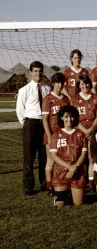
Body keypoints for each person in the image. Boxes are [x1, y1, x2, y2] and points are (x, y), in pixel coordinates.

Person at [16, 61, 51, 196]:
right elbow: (20, 111)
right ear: (30, 73)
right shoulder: (24, 90)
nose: (38, 73)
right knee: (29, 157)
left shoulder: (47, 89)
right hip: (31, 124)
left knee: (44, 156)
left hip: (44, 124)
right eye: (35, 71)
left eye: (40, 71)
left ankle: (44, 183)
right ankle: (28, 186)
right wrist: (27, 124)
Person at [50, 105, 87, 207]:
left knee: (78, 204)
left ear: (75, 117)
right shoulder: (56, 134)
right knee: (59, 205)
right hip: (61, 171)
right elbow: (54, 156)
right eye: (66, 117)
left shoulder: (80, 134)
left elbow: (83, 154)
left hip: (77, 170)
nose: (69, 119)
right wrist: (69, 167)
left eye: (71, 117)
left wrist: (74, 167)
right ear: (61, 117)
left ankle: (70, 193)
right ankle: (62, 195)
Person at [42, 72, 70, 195]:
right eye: (57, 82)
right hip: (52, 134)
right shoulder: (47, 98)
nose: (60, 85)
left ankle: (64, 184)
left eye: (62, 83)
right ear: (53, 83)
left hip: (64, 134)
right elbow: (44, 119)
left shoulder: (66, 99)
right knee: (51, 161)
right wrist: (49, 136)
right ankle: (49, 186)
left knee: (64, 159)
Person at [71, 75, 97, 190]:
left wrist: (91, 129)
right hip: (79, 130)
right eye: (82, 84)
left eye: (87, 83)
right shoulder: (74, 98)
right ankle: (77, 181)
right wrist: (84, 130)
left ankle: (90, 182)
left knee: (91, 158)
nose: (85, 86)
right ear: (79, 86)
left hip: (93, 130)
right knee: (78, 157)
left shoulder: (96, 97)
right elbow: (73, 117)